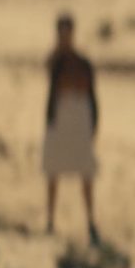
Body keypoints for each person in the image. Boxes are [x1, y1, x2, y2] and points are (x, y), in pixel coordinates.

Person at [41, 13, 100, 243]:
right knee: (52, 170)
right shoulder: (56, 62)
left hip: (79, 119)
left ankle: (90, 220)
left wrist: (94, 123)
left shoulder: (82, 62)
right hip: (60, 119)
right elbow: (47, 68)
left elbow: (92, 94)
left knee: (86, 171)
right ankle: (50, 220)